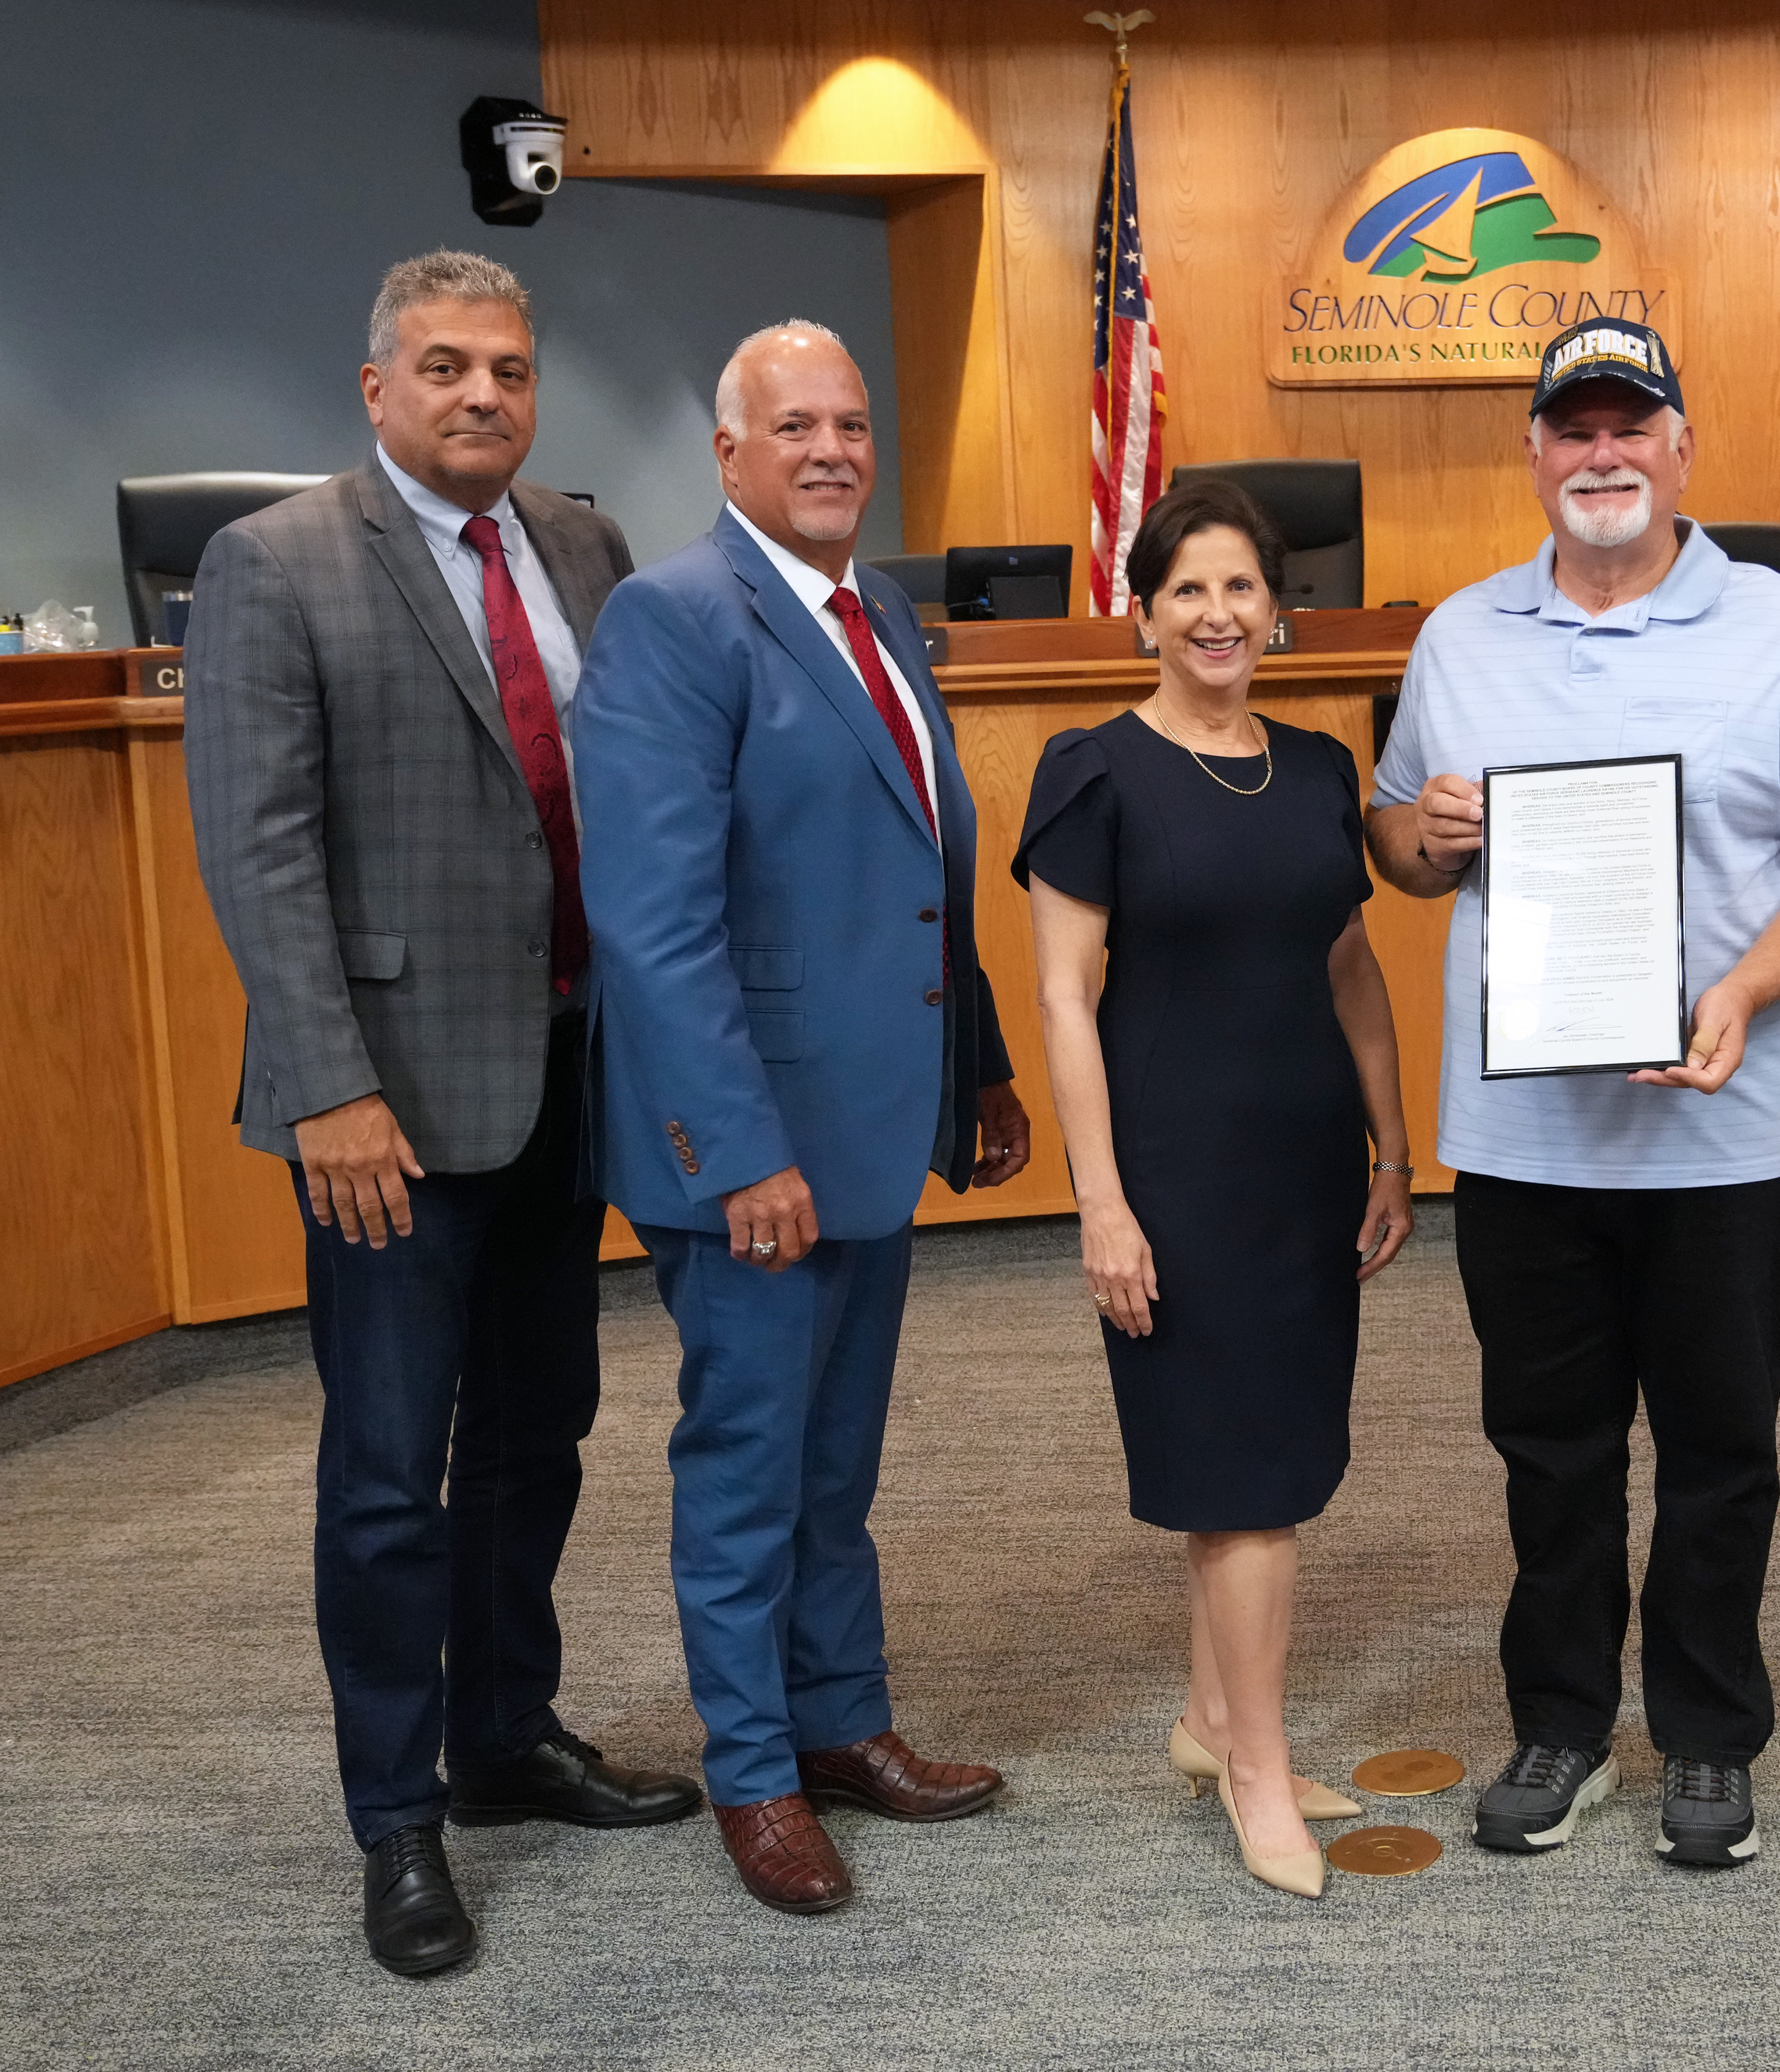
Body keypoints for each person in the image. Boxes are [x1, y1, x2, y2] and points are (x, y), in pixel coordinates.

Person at [184, 250, 697, 1979]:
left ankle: (504, 1739)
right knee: (392, 1473)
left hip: (571, 1075)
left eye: (511, 369)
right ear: (378, 386)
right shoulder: (274, 563)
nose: (486, 395)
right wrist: (325, 1081)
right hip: (384, 1104)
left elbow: (625, 787)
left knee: (539, 1432)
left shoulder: (582, 543)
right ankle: (395, 1819)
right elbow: (259, 852)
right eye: (450, 367)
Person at [1370, 317, 1780, 1871]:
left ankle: (1712, 1735)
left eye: (1630, 427)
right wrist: (1433, 839)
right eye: (1572, 429)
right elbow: (1398, 845)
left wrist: (1742, 990)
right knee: (1551, 1449)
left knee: (1723, 1449)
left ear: (1680, 448)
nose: (1601, 454)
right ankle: (1557, 1722)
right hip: (1525, 1141)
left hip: (1725, 1135)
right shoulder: (1465, 633)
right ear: (1536, 455)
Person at [571, 320, 1032, 1917]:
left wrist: (976, 1062)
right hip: (755, 1150)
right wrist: (739, 1148)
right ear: (730, 454)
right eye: (796, 426)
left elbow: (923, 872)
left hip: (872, 1120)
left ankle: (842, 1724)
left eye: (851, 422)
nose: (833, 448)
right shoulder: (674, 620)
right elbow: (655, 921)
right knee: (750, 1470)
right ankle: (753, 1771)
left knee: (835, 1467)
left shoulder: (879, 609)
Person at [1014, 479, 1417, 1901]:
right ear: (1144, 614)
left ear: (1277, 612)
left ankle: (1210, 1724)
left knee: (1276, 1467)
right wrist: (1102, 1204)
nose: (1218, 613)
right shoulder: (1094, 769)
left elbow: (1348, 964)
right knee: (1243, 1487)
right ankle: (1258, 1769)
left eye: (1241, 587)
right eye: (1188, 588)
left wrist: (1391, 1141)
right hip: (1176, 1173)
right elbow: (1065, 1000)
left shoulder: (1317, 769)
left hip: (1305, 1165)